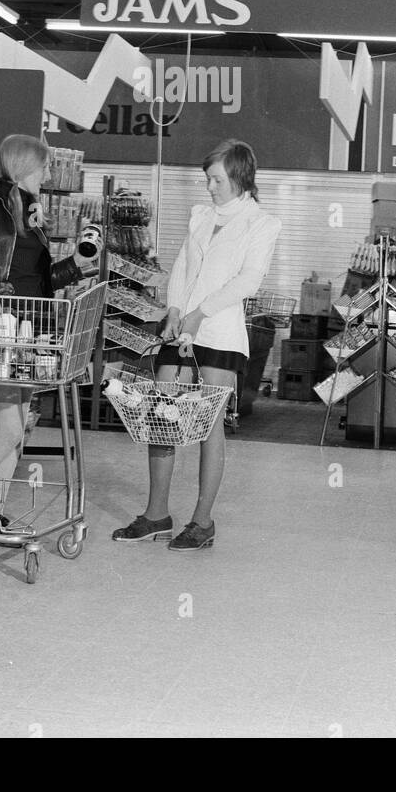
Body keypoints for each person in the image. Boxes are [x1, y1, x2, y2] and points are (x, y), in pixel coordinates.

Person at [112, 139, 280, 552]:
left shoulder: (261, 223)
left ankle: (202, 522)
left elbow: (248, 279)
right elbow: (184, 266)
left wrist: (200, 313)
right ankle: (156, 515)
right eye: (207, 179)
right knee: (162, 417)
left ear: (240, 177)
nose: (210, 187)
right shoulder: (200, 217)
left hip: (220, 333)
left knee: (209, 425)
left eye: (217, 179)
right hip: (179, 328)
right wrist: (172, 310)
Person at [0, 133, 98, 533]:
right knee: (9, 429)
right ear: (25, 166)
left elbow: (37, 282)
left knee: (17, 431)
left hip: (30, 331)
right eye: (43, 167)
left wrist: (75, 264)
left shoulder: (33, 216)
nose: (47, 174)